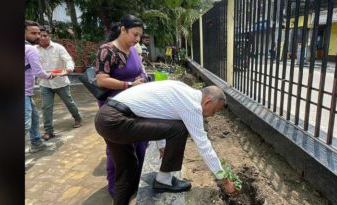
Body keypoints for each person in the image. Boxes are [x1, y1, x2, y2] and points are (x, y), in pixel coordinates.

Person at [95, 80, 237, 205]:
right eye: (215, 111)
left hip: (105, 116)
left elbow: (157, 113)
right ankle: (163, 180)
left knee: (128, 169)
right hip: (117, 121)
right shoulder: (192, 106)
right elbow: (203, 145)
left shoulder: (182, 89)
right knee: (180, 129)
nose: (212, 115)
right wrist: (224, 180)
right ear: (207, 102)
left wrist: (162, 145)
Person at [94, 15, 148, 199]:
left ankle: (135, 182)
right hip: (114, 108)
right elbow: (101, 80)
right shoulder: (107, 50)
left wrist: (143, 79)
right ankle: (118, 188)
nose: (137, 39)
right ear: (122, 29)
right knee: (118, 149)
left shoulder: (133, 50)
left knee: (140, 143)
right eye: (135, 34)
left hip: (135, 104)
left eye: (139, 36)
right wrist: (130, 85)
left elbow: (140, 70)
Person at [36, 28, 83, 140]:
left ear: (49, 36)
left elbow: (68, 59)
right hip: (45, 83)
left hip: (61, 82)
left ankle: (78, 118)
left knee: (69, 102)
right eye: (40, 36)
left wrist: (69, 69)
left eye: (45, 35)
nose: (42, 38)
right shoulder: (34, 49)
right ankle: (48, 131)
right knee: (46, 107)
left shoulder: (58, 47)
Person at [25, 20, 55, 153]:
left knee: (34, 117)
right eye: (33, 33)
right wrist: (50, 75)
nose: (37, 36)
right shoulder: (30, 49)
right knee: (25, 123)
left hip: (26, 92)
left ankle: (36, 142)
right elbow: (38, 72)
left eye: (38, 33)